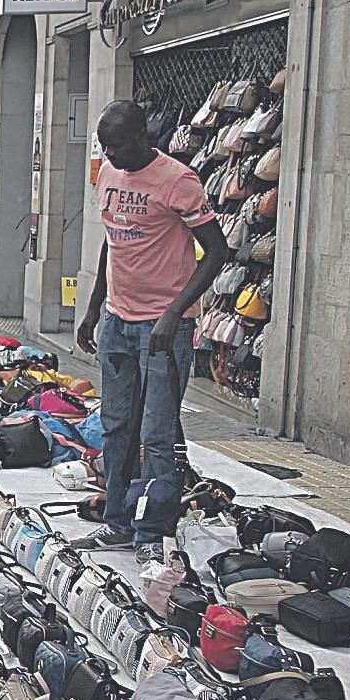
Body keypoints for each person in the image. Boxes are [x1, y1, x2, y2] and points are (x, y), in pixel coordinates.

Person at [72, 99, 229, 563]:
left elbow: (217, 252)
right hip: (118, 322)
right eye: (104, 146)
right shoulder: (107, 175)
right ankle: (117, 522)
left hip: (162, 328)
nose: (110, 154)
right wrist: (93, 308)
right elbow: (112, 241)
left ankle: (152, 532)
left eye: (117, 145)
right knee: (117, 427)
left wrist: (175, 313)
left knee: (157, 433)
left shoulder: (178, 181)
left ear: (142, 137)